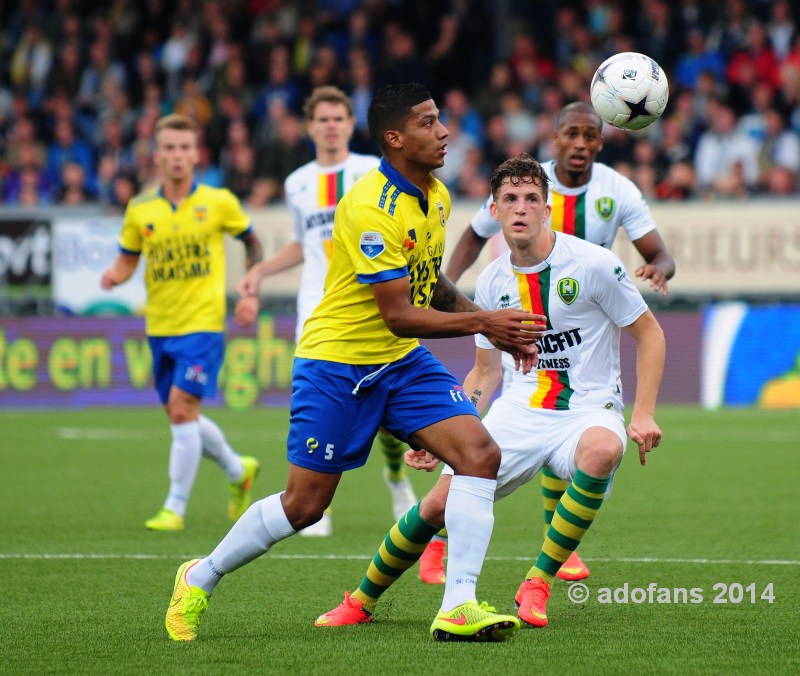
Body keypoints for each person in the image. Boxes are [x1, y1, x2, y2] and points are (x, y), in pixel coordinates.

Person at [164, 83, 544, 643]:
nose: (444, 133)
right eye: (429, 123)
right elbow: (398, 313)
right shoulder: (369, 208)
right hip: (337, 366)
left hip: (400, 363)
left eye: (441, 120)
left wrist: (489, 324)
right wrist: (487, 323)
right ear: (395, 138)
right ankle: (200, 575)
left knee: (480, 455)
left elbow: (428, 285)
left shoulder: (435, 196)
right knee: (305, 506)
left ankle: (459, 604)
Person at [315, 153, 665, 630]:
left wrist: (642, 413)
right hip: (518, 411)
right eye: (510, 199)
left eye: (531, 199)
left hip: (588, 409)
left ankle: (537, 582)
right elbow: (484, 373)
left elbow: (650, 333)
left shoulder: (595, 264)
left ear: (547, 209)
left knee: (603, 450)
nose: (521, 208)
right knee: (437, 505)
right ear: (494, 211)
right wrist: (441, 433)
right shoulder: (493, 281)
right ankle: (361, 600)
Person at [419, 101, 675, 584]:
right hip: (524, 298)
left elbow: (658, 256)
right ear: (554, 139)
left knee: (578, 430)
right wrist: (449, 290)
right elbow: (474, 236)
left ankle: (551, 559)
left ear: (601, 141)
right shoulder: (520, 186)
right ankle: (432, 540)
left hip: (581, 298)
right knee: (523, 416)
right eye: (570, 135)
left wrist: (660, 267)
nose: (579, 144)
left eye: (589, 136)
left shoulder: (616, 191)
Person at [238, 86, 416, 537]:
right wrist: (260, 271)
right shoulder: (297, 182)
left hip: (370, 303)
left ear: (349, 124)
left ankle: (396, 477)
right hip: (317, 310)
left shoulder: (370, 171)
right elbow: (303, 243)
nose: (332, 125)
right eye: (324, 118)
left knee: (388, 410)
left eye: (339, 117)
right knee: (314, 407)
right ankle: (315, 504)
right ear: (310, 126)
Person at [100, 113, 264, 531]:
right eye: (169, 148)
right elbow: (127, 258)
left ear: (196, 155)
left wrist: (249, 291)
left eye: (184, 148)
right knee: (183, 414)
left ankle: (174, 507)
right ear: (157, 156)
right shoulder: (140, 209)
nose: (177, 155)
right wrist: (114, 276)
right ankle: (236, 469)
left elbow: (252, 242)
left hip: (203, 325)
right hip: (160, 327)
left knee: (180, 409)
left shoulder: (218, 201)